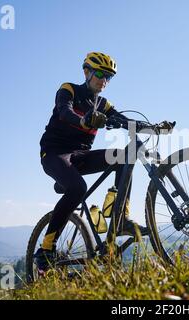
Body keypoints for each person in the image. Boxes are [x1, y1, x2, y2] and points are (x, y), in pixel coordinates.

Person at [35, 52, 172, 272]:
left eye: (109, 77)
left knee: (124, 156)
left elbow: (126, 121)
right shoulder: (69, 89)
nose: (104, 80)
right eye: (100, 74)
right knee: (78, 188)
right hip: (54, 154)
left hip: (81, 156)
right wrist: (83, 119)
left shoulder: (103, 104)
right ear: (86, 72)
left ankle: (120, 217)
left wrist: (154, 128)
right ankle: (46, 248)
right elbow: (64, 111)